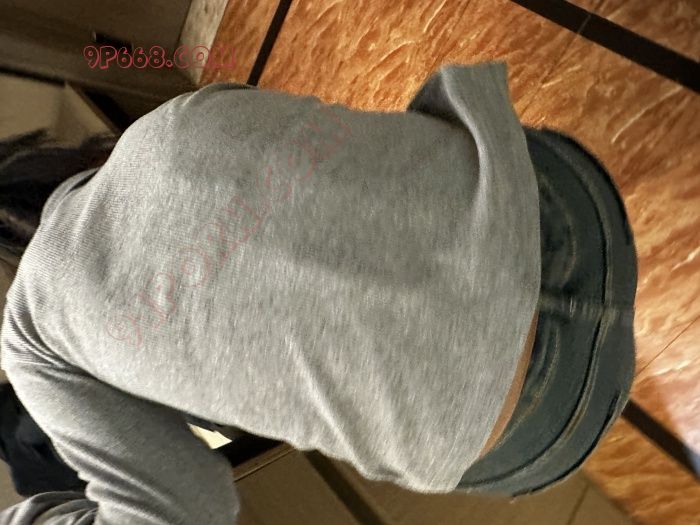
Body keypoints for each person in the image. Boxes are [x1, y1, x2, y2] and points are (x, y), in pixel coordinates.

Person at [0, 61, 637, 524]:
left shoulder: (31, 334)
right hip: (569, 207)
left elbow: (185, 510)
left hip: (547, 416)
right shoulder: (171, 119)